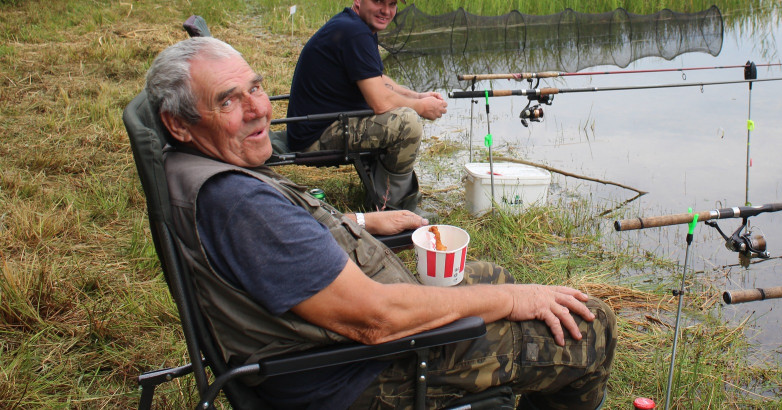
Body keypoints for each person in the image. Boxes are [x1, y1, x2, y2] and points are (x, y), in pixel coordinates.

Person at [146, 37, 616, 410]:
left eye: (255, 87)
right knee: (590, 326)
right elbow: (377, 320)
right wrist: (514, 300)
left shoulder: (199, 170)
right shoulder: (238, 204)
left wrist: (363, 220)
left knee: (488, 274)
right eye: (228, 101)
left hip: (332, 346)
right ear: (180, 124)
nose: (259, 109)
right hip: (359, 376)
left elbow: (280, 247)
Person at [286, 0, 447, 213]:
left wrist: (417, 96)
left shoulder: (354, 25)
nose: (386, 11)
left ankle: (381, 193)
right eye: (378, 1)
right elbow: (381, 102)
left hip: (317, 124)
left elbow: (379, 79)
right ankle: (395, 207)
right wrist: (422, 108)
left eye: (391, 4)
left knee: (401, 112)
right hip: (315, 136)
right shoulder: (356, 32)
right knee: (407, 123)